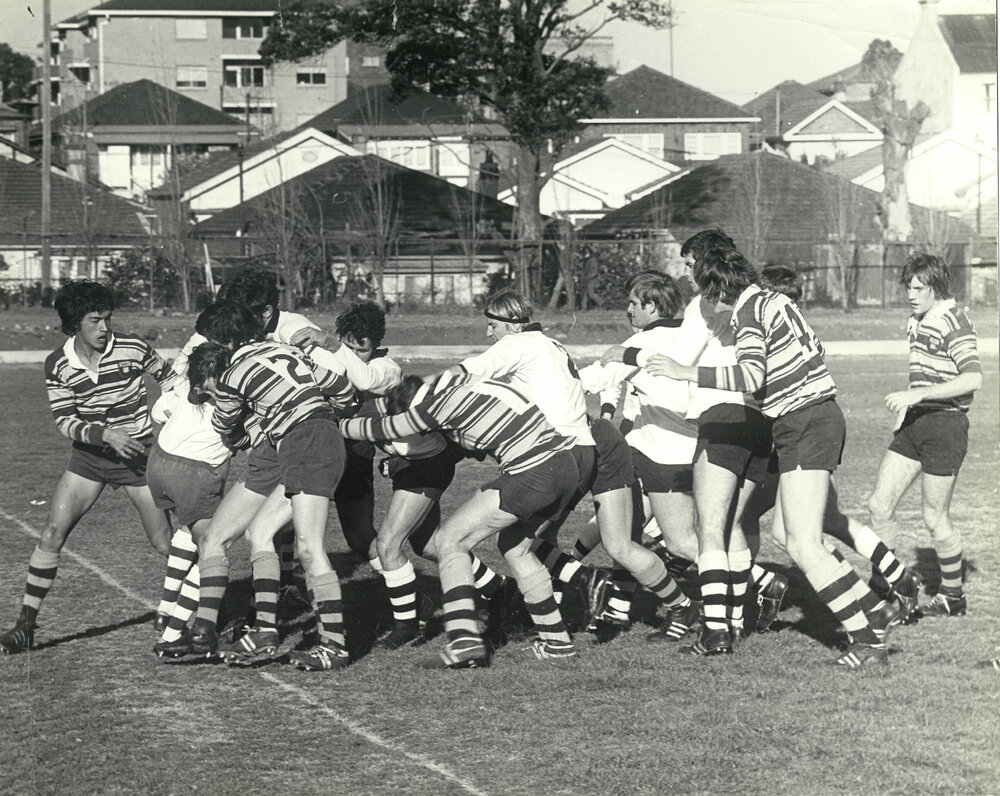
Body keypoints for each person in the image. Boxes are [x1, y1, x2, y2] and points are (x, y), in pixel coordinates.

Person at [612, 246, 896, 669]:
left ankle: (868, 639)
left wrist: (685, 372)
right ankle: (872, 614)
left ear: (716, 287)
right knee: (795, 537)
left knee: (802, 542)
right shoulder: (774, 299)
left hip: (804, 423)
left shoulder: (748, 312)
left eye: (704, 291)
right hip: (812, 418)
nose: (705, 304)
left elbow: (750, 375)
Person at [340, 371, 583, 669]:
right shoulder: (461, 380)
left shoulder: (439, 404)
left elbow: (389, 426)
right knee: (516, 548)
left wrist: (336, 424)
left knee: (449, 540)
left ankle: (463, 640)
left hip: (533, 471)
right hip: (565, 464)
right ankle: (558, 643)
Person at [740, 265, 922, 627]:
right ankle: (894, 580)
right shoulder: (794, 328)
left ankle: (873, 602)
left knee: (785, 528)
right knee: (812, 525)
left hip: (802, 433)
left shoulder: (774, 330)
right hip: (805, 432)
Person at [0, 281, 175, 655]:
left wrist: (170, 418)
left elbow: (171, 379)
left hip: (137, 458)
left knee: (164, 542)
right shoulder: (57, 363)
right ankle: (25, 627)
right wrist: (104, 434)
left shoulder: (132, 347)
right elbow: (65, 420)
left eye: (107, 319)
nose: (104, 327)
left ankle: (192, 607)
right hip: (89, 459)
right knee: (52, 533)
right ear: (74, 323)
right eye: (95, 320)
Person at [189, 304, 358, 671]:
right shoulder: (288, 350)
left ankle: (334, 645)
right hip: (310, 438)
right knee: (258, 532)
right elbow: (344, 389)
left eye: (211, 340)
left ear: (225, 341)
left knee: (309, 547)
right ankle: (264, 630)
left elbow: (225, 425)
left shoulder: (232, 374)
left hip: (305, 441)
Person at [866, 254, 982, 618]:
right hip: (914, 423)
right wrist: (910, 405)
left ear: (937, 287)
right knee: (878, 505)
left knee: (934, 517)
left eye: (919, 288)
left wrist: (919, 395)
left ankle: (952, 596)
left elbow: (972, 378)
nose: (911, 295)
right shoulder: (917, 320)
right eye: (909, 287)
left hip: (945, 426)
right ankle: (884, 587)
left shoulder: (952, 320)